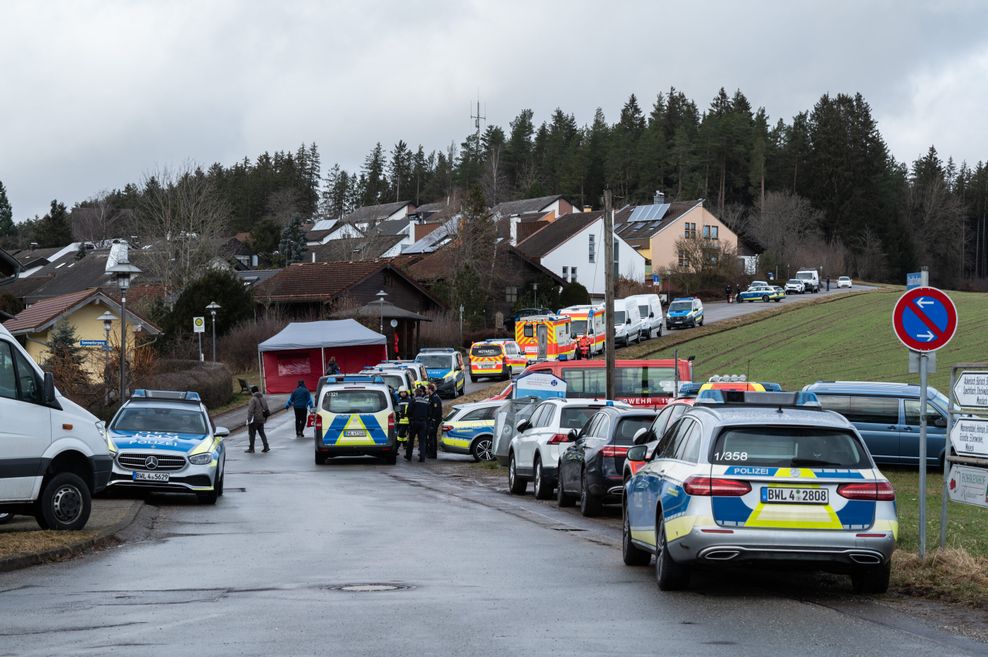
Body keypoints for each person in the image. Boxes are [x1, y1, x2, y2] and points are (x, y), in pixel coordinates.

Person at [405, 386, 431, 462]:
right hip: (423, 423)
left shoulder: (413, 401)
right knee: (422, 441)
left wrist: (410, 419)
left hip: (414, 423)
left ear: (416, 393)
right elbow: (429, 413)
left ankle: (408, 456)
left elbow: (409, 411)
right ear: (422, 393)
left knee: (411, 440)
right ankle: (422, 457)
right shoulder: (426, 402)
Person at [246, 386, 270, 453]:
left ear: (252, 392)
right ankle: (266, 446)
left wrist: (249, 420)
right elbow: (266, 408)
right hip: (261, 419)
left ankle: (251, 448)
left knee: (252, 434)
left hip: (254, 420)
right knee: (262, 433)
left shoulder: (253, 399)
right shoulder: (262, 398)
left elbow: (250, 410)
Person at [427, 382, 443, 459]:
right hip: (433, 420)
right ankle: (431, 452)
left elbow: (436, 410)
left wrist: (433, 419)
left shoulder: (435, 398)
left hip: (434, 420)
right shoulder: (431, 397)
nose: (426, 390)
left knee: (432, 436)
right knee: (431, 436)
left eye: (427, 389)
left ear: (430, 389)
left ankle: (433, 454)